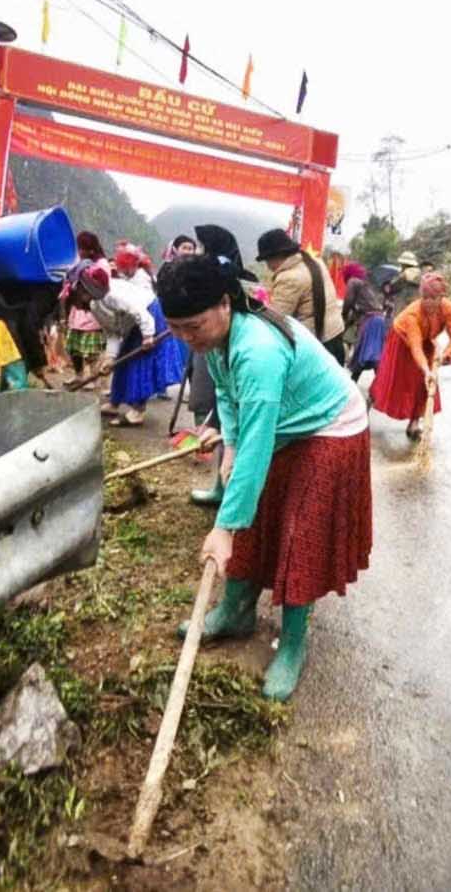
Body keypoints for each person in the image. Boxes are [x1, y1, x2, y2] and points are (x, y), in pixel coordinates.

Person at [155, 254, 373, 702]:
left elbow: (258, 447)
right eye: (175, 328)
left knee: (299, 531)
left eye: (192, 326)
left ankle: (293, 644)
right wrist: (229, 446)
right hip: (285, 422)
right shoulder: (216, 339)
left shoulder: (257, 350)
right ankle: (236, 611)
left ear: (223, 303)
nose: (184, 338)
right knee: (256, 513)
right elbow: (228, 397)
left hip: (331, 426)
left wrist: (223, 526)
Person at [187, 224, 262, 507]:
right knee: (214, 412)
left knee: (221, 413)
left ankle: (226, 488)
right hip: (209, 350)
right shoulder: (203, 276)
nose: (198, 251)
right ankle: (223, 481)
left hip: (222, 350)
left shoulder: (235, 280)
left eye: (202, 246)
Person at [68, 259, 186, 426]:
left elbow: (140, 312)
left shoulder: (113, 295)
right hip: (133, 323)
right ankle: (115, 403)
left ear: (85, 290)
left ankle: (137, 411)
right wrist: (110, 358)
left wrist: (147, 336)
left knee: (141, 363)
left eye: (77, 295)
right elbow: (113, 333)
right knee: (121, 361)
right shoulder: (95, 305)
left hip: (149, 314)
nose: (76, 302)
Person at [369, 272, 451, 439]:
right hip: (402, 338)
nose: (428, 302)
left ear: (441, 297)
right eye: (424, 297)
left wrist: (445, 355)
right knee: (395, 378)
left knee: (422, 384)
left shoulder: (447, 307)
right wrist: (427, 369)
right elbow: (416, 348)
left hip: (426, 338)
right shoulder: (413, 315)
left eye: (433, 298)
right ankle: (373, 395)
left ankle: (414, 423)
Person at [254, 228, 346, 365]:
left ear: (278, 256)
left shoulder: (289, 278)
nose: (268, 267)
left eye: (267, 261)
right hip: (335, 335)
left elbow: (276, 320)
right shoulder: (314, 261)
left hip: (318, 346)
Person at [343, 261, 387, 383]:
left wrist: (344, 316)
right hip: (379, 320)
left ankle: (351, 385)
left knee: (363, 353)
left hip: (370, 321)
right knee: (375, 354)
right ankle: (378, 388)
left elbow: (348, 302)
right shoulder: (365, 284)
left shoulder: (353, 281)